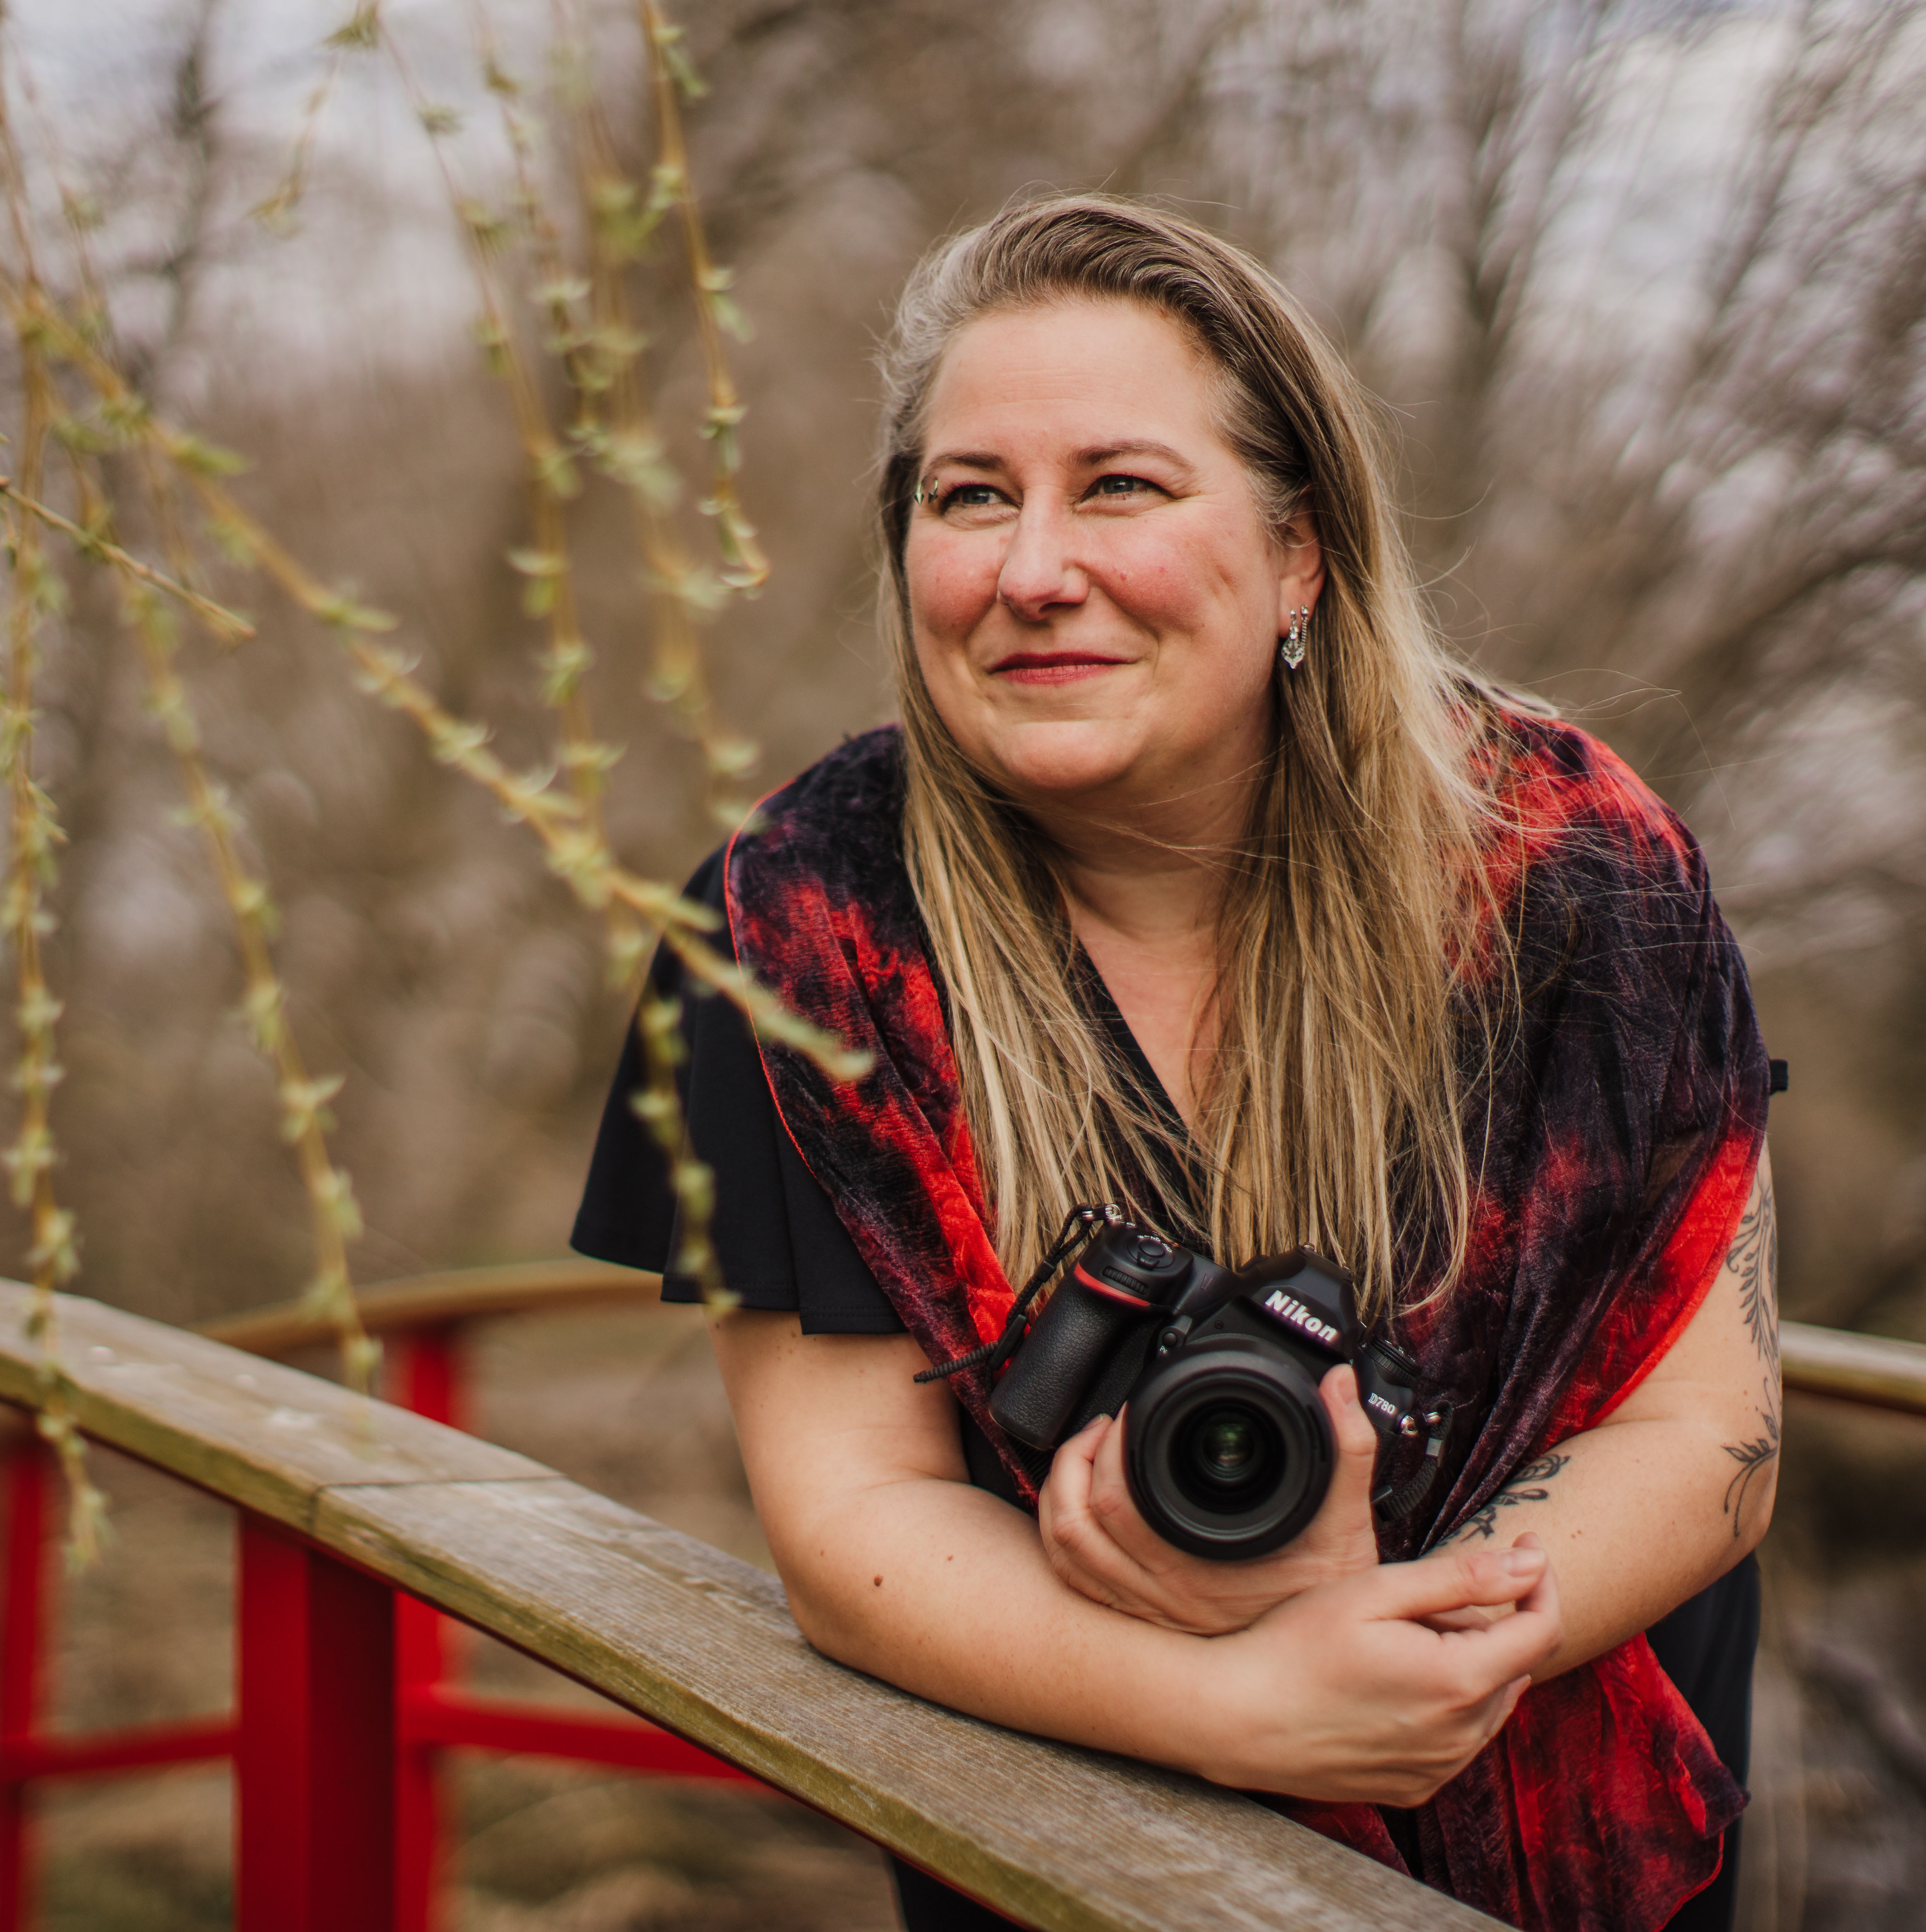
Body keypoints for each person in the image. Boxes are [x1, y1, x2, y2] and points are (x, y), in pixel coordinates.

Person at [573, 196, 1779, 1932]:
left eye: (1118, 485)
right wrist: (1237, 1704)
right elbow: (855, 1517)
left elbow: (1708, 1419)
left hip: (1563, 1841)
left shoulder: (1573, 866)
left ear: (1300, 553)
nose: (1029, 568)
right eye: (967, 495)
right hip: (1079, 1849)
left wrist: (1403, 1638)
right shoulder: (799, 939)